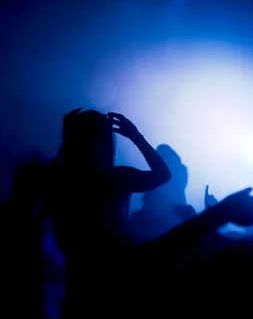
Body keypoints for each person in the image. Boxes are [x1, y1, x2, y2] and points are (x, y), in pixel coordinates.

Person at [49, 108, 171, 317]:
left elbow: (50, 176)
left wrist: (68, 135)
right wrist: (135, 136)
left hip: (73, 272)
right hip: (116, 269)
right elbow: (163, 174)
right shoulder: (119, 177)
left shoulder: (61, 180)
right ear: (106, 141)